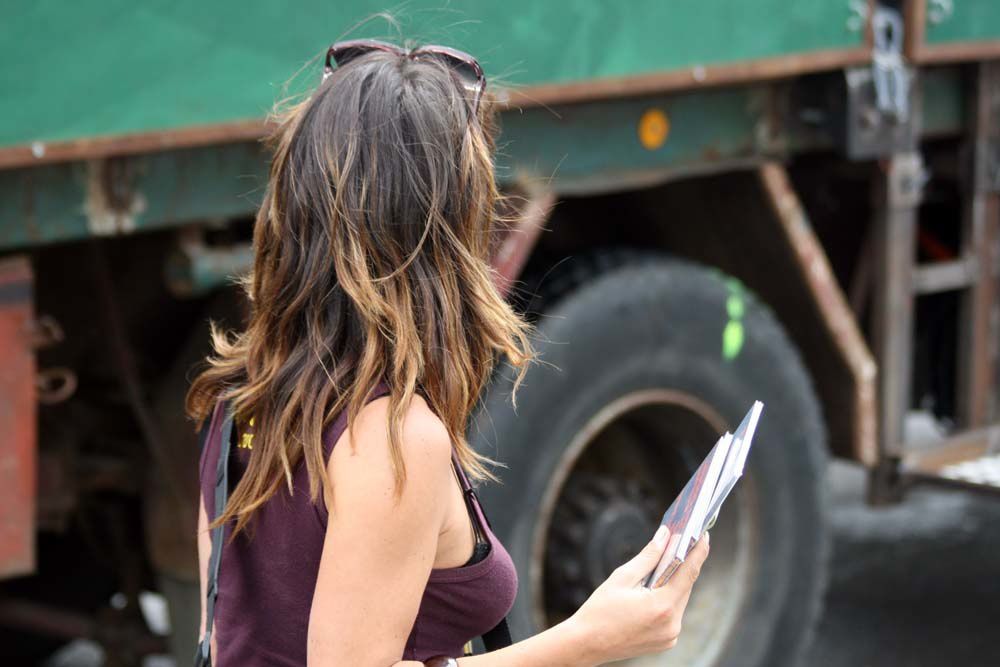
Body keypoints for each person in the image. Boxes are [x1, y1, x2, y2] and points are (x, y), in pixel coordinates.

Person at [186, 38, 710, 667]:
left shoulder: (241, 392)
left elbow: (222, 637)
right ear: (444, 230)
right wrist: (591, 639)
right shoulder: (392, 439)